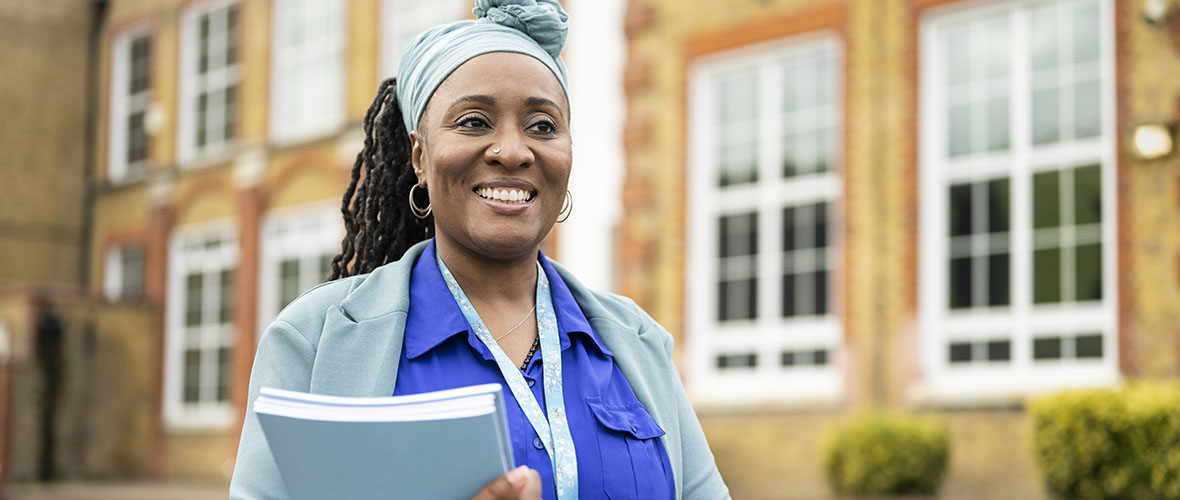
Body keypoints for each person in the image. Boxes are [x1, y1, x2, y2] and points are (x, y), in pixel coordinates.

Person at [229, 1, 730, 499]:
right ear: (420, 157)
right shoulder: (312, 343)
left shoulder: (638, 341)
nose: (513, 151)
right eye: (473, 121)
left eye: (542, 126)